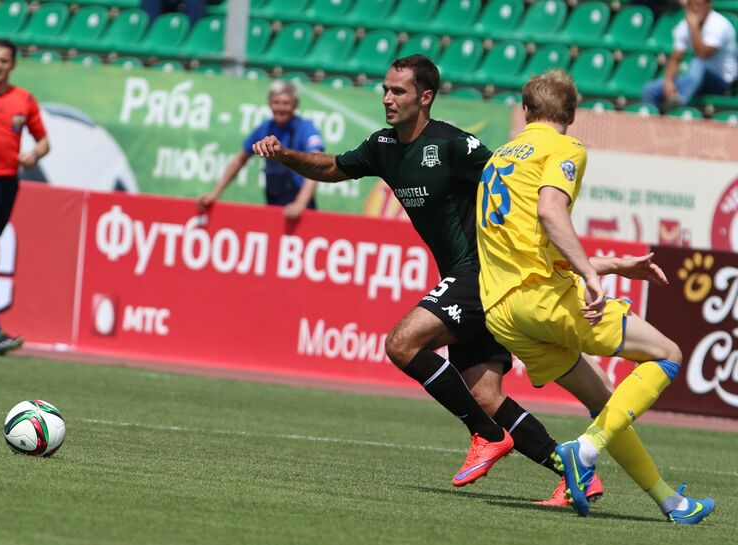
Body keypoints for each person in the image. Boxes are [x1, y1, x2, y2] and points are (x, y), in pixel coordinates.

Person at [250, 55, 656, 504]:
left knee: (402, 344)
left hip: (482, 272)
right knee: (485, 395)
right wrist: (284, 155)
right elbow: (331, 167)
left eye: (398, 91)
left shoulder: (454, 146)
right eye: (385, 89)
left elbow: (513, 191)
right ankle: (572, 472)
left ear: (425, 97)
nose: (387, 98)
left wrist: (577, 259)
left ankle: (486, 437)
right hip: (471, 282)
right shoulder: (384, 146)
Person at [475, 69, 715, 523]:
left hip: (502, 312)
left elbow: (524, 242)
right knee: (667, 354)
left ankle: (672, 503)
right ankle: (582, 452)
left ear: (527, 111)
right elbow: (549, 212)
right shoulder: (566, 148)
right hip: (540, 298)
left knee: (606, 401)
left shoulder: (498, 158)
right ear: (571, 114)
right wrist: (589, 273)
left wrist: (610, 265)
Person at [0, 39, 49, 356]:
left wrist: (34, 155)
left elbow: (43, 141)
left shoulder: (24, 100)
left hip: (6, 185)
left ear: (13, 64)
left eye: (3, 60)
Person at [199, 80, 323, 221]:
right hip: (273, 204)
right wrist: (215, 193)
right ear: (269, 104)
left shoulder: (305, 128)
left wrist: (300, 203)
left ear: (295, 105)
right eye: (276, 102)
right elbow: (240, 159)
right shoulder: (265, 128)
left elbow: (316, 163)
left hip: (302, 211)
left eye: (286, 103)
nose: (281, 108)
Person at [641, 0, 737, 110]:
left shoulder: (719, 24)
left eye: (699, 5)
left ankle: (679, 103)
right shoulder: (684, 26)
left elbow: (702, 55)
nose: (695, 9)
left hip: (722, 82)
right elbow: (675, 58)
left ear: (708, 5)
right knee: (650, 90)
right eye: (692, 5)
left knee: (698, 63)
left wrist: (694, 27)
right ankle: (650, 121)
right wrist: (668, 82)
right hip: (695, 79)